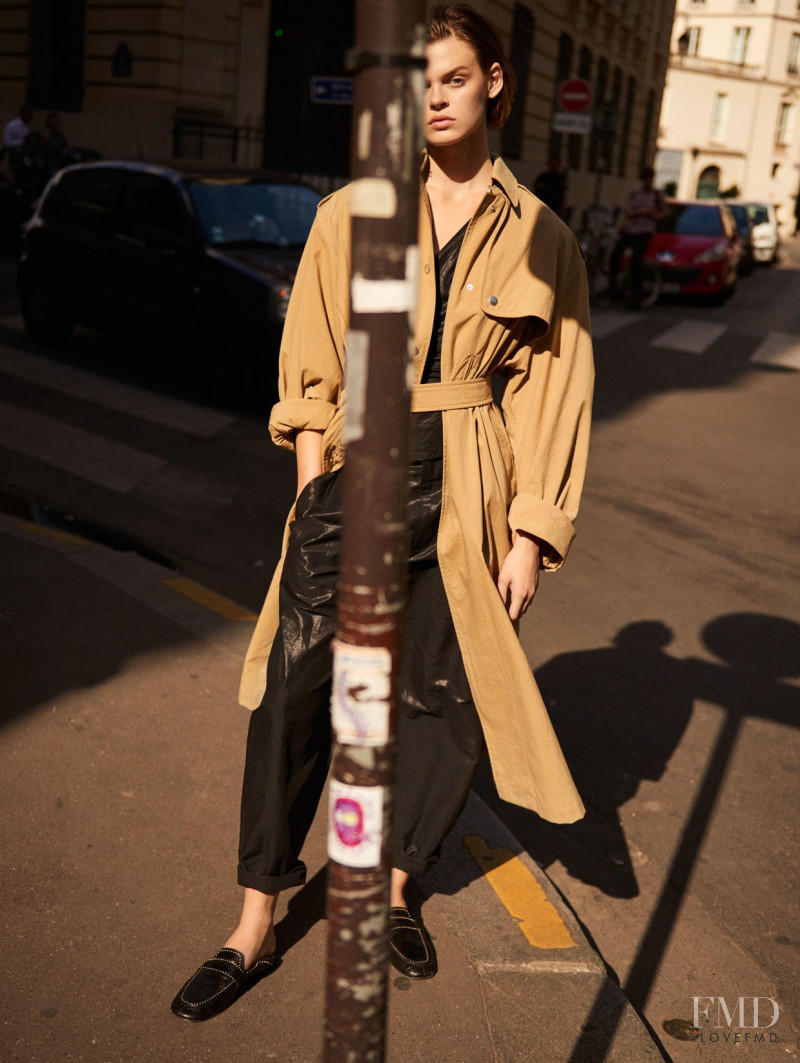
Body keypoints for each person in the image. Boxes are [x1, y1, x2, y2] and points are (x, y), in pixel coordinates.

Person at [171, 3, 593, 1023]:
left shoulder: (540, 233)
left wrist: (531, 532)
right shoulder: (353, 211)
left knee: (437, 706)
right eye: (415, 82)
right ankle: (254, 919)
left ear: (492, 81)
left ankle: (396, 891)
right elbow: (312, 352)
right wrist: (313, 473)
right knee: (293, 691)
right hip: (355, 474)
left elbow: (553, 386)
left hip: (471, 482)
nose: (431, 98)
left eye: (449, 77)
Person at [608, 165, 665, 307]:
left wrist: (651, 214)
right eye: (645, 179)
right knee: (615, 255)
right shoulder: (635, 194)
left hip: (645, 230)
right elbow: (629, 211)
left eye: (649, 179)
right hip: (631, 228)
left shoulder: (657, 196)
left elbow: (663, 213)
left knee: (636, 261)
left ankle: (636, 295)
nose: (647, 182)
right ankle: (614, 286)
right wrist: (641, 212)